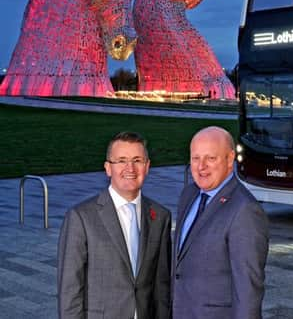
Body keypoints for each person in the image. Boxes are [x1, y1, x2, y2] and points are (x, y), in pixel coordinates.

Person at [57, 131, 172, 319]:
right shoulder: (81, 217)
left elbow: (162, 287)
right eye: (121, 161)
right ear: (108, 168)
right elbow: (70, 291)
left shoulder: (160, 216)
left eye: (137, 160)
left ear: (147, 166)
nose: (130, 168)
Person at [173, 126, 269, 319]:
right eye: (195, 158)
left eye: (211, 158)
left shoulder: (245, 211)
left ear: (230, 158)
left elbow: (248, 291)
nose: (201, 167)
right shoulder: (189, 194)